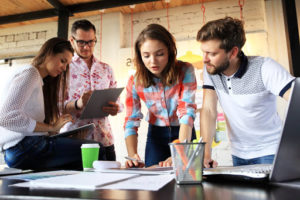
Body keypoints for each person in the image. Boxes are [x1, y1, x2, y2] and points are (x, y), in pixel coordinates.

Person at [196, 17, 295, 168]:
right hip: (238, 154)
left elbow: (296, 99)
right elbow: (209, 110)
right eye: (204, 52)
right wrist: (206, 152)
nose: (205, 59)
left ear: (233, 52)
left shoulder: (265, 68)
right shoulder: (211, 69)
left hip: (271, 152)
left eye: (212, 53)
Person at [0, 37, 104, 170]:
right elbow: (6, 117)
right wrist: (51, 127)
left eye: (67, 65)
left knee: (76, 162)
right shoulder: (30, 73)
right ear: (49, 53)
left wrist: (53, 132)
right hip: (23, 147)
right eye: (62, 61)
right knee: (95, 149)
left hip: (21, 150)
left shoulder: (37, 79)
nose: (64, 68)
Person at [124, 23, 197, 168]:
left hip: (183, 131)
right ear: (140, 56)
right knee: (152, 180)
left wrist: (180, 150)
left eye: (160, 54)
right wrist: (132, 155)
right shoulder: (134, 81)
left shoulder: (185, 70)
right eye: (146, 56)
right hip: (156, 136)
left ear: (169, 51)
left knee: (187, 178)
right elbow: (131, 120)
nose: (153, 61)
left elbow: (186, 111)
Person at [63, 19, 122, 161]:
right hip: (74, 141)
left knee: (109, 183)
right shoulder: (64, 68)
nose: (86, 47)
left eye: (91, 42)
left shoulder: (106, 69)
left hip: (104, 139)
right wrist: (77, 103)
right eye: (81, 42)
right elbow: (56, 106)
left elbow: (118, 101)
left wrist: (116, 108)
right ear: (72, 40)